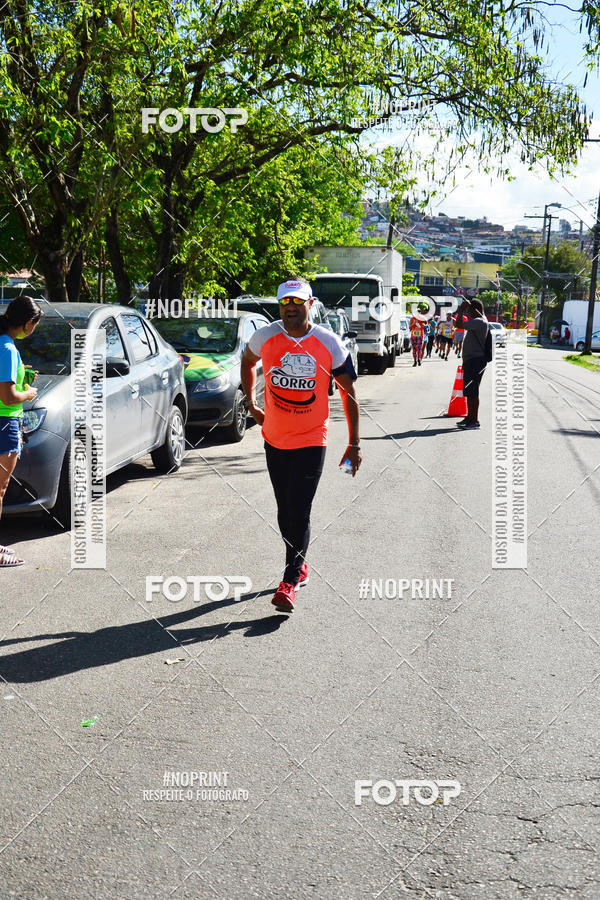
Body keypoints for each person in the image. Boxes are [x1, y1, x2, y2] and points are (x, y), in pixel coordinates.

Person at [241, 278, 361, 613]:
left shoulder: (329, 342)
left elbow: (348, 391)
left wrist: (354, 442)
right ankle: (300, 563)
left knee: (300, 508)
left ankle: (289, 580)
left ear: (310, 304)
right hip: (274, 438)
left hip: (312, 439)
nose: (290, 308)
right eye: (284, 303)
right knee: (284, 509)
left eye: (297, 302)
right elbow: (247, 361)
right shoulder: (265, 335)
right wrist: (251, 403)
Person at [0, 296, 43, 565]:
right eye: (35, 324)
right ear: (29, 323)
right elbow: (8, 396)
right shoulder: (7, 348)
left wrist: (19, 376)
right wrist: (27, 393)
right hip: (5, 424)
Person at [455, 298, 489, 430]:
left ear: (476, 310)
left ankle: (474, 421)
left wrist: (461, 310)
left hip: (475, 361)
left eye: (470, 311)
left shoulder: (479, 322)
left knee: (473, 392)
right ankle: (470, 417)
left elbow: (458, 325)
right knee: (470, 391)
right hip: (472, 361)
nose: (468, 313)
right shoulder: (480, 320)